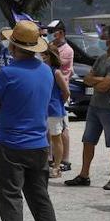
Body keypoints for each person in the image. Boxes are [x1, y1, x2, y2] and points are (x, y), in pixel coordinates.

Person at [0, 20, 59, 221]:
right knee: (40, 198)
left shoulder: (9, 73)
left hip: (11, 145)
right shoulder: (46, 71)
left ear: (13, 47)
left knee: (11, 199)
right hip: (39, 144)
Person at [67, 25, 110, 190]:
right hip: (95, 106)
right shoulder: (101, 58)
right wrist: (100, 80)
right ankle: (84, 175)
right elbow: (87, 79)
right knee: (88, 140)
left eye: (103, 37)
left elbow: (105, 86)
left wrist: (97, 80)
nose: (100, 40)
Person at [47, 20, 75, 172]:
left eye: (54, 31)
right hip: (51, 94)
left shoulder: (67, 50)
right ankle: (51, 157)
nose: (52, 34)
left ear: (62, 33)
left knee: (62, 129)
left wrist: (61, 100)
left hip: (60, 92)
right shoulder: (52, 46)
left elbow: (56, 63)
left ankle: (65, 159)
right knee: (50, 130)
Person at [39, 47, 69, 180]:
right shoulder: (41, 70)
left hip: (54, 109)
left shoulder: (56, 72)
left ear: (49, 56)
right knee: (44, 138)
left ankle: (57, 166)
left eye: (44, 55)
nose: (41, 57)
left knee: (56, 137)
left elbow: (66, 92)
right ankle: (45, 163)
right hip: (42, 108)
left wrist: (58, 103)